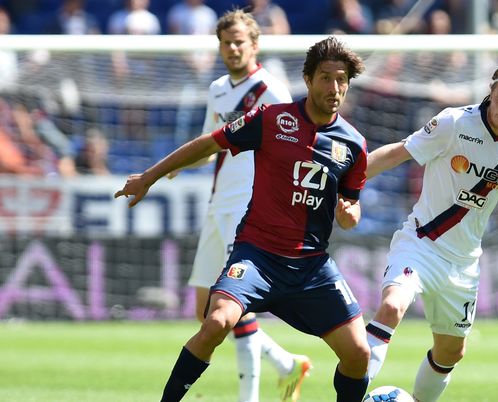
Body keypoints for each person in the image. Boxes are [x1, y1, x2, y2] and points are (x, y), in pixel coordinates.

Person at [114, 36, 371, 402]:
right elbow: (209, 143)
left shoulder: (354, 145)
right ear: (309, 79)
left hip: (311, 266)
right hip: (258, 255)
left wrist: (350, 214)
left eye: (342, 79)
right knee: (216, 322)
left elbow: (352, 203)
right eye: (326, 77)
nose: (335, 87)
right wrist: (147, 178)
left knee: (359, 353)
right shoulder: (273, 119)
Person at [365, 60, 498, 401]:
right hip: (421, 243)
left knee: (450, 353)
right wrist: (346, 183)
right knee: (391, 306)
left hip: (463, 263)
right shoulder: (454, 122)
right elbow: (399, 153)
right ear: (491, 91)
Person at [168, 9, 310, 402]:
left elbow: (292, 150)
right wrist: (176, 165)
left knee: (234, 305)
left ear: (254, 45)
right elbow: (207, 147)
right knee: (205, 312)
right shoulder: (217, 89)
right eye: (226, 43)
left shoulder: (271, 90)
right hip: (219, 204)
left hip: (248, 207)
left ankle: (249, 397)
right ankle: (285, 364)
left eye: (239, 42)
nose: (232, 49)